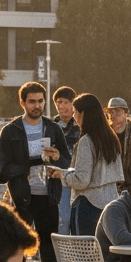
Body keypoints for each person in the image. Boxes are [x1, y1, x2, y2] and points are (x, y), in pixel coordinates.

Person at [0, 82, 70, 262]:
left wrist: (57, 158)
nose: (37, 106)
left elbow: (67, 162)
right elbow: (2, 171)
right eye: (32, 101)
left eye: (40, 101)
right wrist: (31, 162)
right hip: (22, 199)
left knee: (49, 251)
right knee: (18, 251)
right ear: (23, 103)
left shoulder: (53, 128)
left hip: (49, 197)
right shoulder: (10, 131)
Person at [50, 92, 123, 262]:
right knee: (106, 260)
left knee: (87, 261)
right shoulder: (111, 138)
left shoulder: (86, 142)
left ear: (82, 114)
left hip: (87, 205)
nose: (74, 116)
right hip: (111, 203)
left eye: (76, 112)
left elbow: (81, 180)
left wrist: (62, 174)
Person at [53, 86, 83, 236]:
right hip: (59, 179)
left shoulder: (81, 127)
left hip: (79, 178)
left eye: (65, 102)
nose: (61, 106)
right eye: (58, 102)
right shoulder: (51, 127)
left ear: (73, 104)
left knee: (78, 219)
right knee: (62, 220)